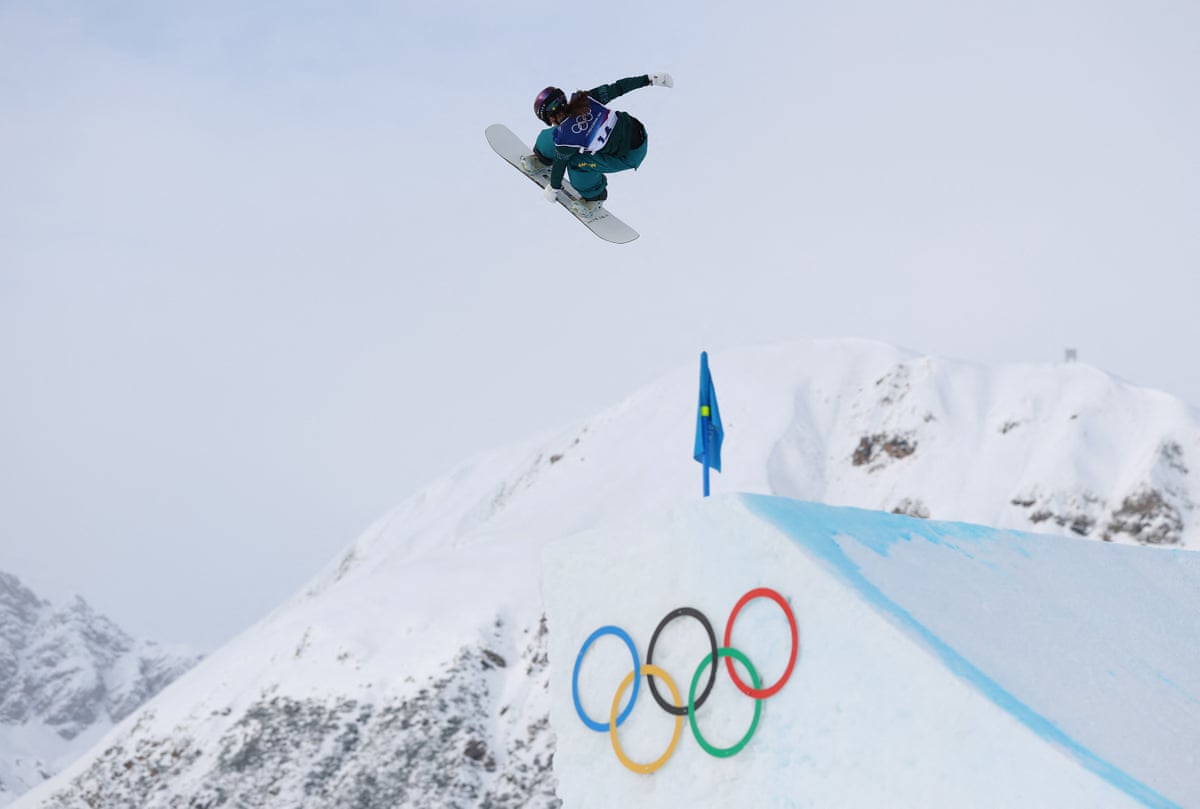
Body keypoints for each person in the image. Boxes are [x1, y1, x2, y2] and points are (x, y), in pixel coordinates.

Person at [526, 73, 674, 209]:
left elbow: (560, 164)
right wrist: (649, 79)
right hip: (636, 130)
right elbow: (617, 88)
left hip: (629, 155)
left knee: (575, 163)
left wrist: (553, 188)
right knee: (555, 139)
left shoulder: (566, 138)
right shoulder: (584, 100)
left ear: (550, 118)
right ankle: (543, 158)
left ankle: (595, 197)